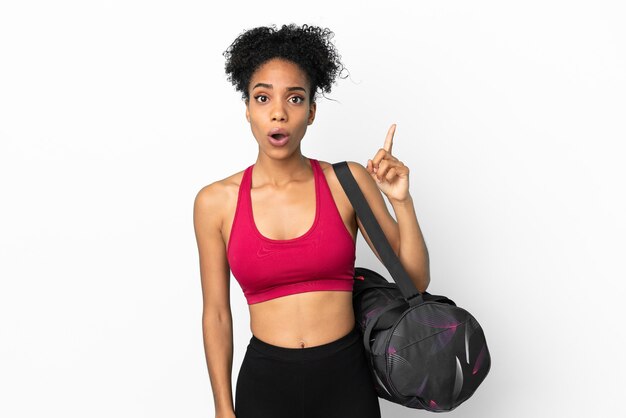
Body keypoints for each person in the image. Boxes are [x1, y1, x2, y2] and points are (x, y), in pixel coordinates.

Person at [193, 23, 430, 418]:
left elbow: (415, 281)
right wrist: (222, 407)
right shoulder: (215, 203)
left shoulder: (347, 182)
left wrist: (402, 203)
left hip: (345, 381)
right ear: (248, 110)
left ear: (312, 111)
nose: (279, 113)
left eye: (295, 98)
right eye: (263, 97)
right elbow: (216, 313)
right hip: (265, 385)